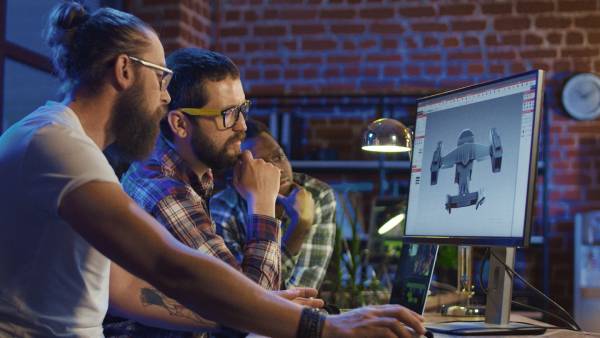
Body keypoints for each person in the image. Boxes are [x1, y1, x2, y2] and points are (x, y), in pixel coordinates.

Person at [0, 2, 426, 338]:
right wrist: (323, 328)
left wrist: (262, 310)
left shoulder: (70, 147)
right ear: (125, 70)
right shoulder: (57, 146)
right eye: (162, 78)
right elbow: (168, 264)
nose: (165, 98)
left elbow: (125, 290)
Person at [211, 119, 336, 290]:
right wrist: (299, 228)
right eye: (261, 165)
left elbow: (302, 291)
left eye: (278, 157)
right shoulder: (223, 207)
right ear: (237, 175)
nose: (278, 170)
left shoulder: (316, 194)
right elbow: (250, 295)